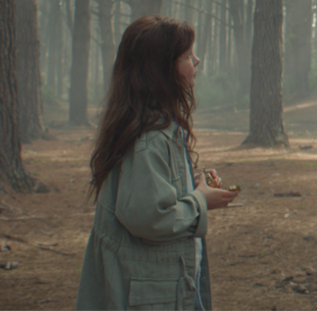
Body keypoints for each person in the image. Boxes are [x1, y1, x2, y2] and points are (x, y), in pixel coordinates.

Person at [76, 16, 238, 311]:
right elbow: (150, 217)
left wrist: (194, 182)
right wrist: (201, 200)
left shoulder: (157, 129)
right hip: (152, 294)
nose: (197, 60)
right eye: (187, 56)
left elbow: (152, 192)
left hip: (165, 285)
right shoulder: (148, 141)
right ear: (162, 71)